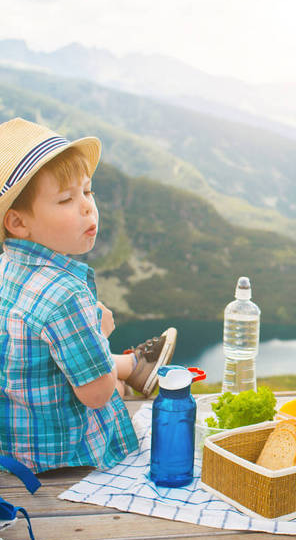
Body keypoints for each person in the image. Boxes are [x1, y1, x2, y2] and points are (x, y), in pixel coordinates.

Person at [0, 117, 177, 473]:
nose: (86, 207)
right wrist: (97, 332)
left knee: (88, 367)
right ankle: (130, 372)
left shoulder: (6, 267)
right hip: (62, 459)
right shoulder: (67, 295)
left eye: (88, 191)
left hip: (13, 445)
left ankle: (131, 369)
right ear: (18, 223)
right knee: (110, 392)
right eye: (66, 198)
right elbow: (96, 396)